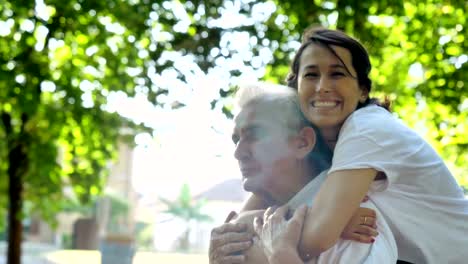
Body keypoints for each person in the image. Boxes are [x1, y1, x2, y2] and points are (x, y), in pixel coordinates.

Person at [280, 26, 468, 263]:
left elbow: (317, 238)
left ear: (362, 91)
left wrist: (321, 223)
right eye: (311, 75)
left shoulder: (366, 128)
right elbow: (253, 210)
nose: (322, 86)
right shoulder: (311, 145)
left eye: (337, 74)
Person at [209, 83, 397, 264]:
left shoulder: (357, 227)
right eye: (236, 139)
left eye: (255, 134)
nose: (238, 152)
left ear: (303, 143)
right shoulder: (239, 235)